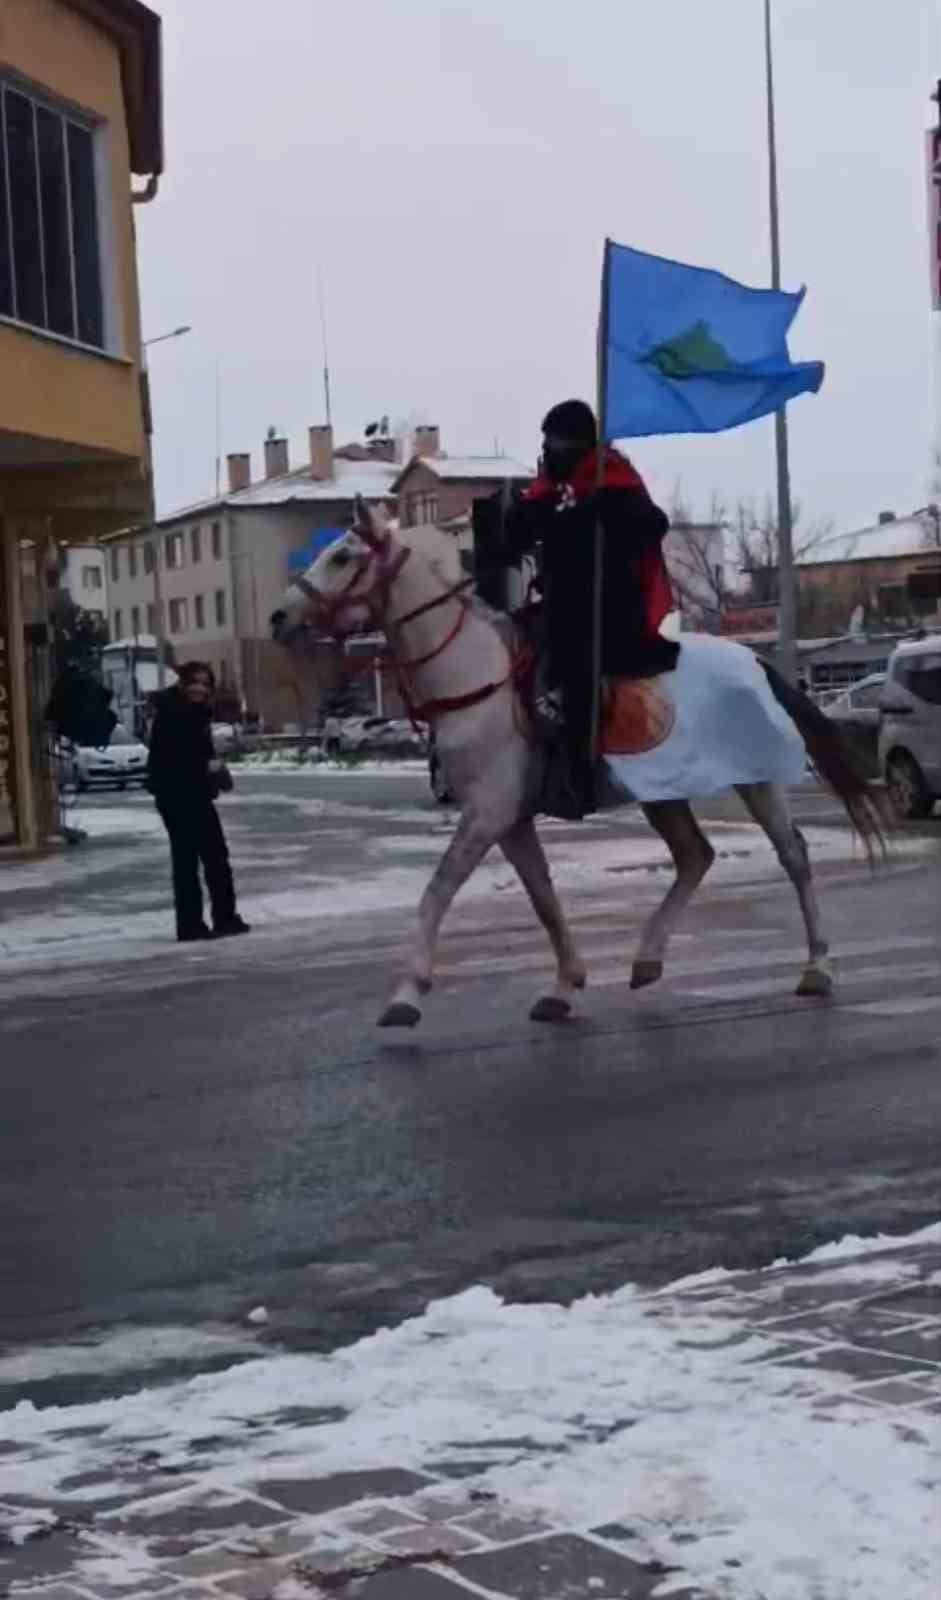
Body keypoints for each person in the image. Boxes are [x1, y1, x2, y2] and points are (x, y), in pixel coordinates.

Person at [503, 398, 676, 815]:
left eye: (557, 440)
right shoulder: (550, 489)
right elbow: (516, 538)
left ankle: (580, 777)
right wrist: (519, 516)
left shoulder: (613, 480)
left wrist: (603, 514)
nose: (549, 449)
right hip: (557, 604)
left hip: (608, 607)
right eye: (546, 440)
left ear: (579, 442)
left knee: (578, 674)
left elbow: (655, 523)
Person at [146, 661, 249, 942]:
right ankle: (206, 922)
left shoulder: (191, 711)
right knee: (202, 859)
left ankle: (206, 921)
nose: (200, 689)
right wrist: (209, 769)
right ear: (182, 683)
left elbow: (197, 753)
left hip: (187, 794)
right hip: (179, 795)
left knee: (203, 858)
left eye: (205, 684)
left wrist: (213, 769)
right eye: (195, 682)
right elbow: (175, 759)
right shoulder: (176, 713)